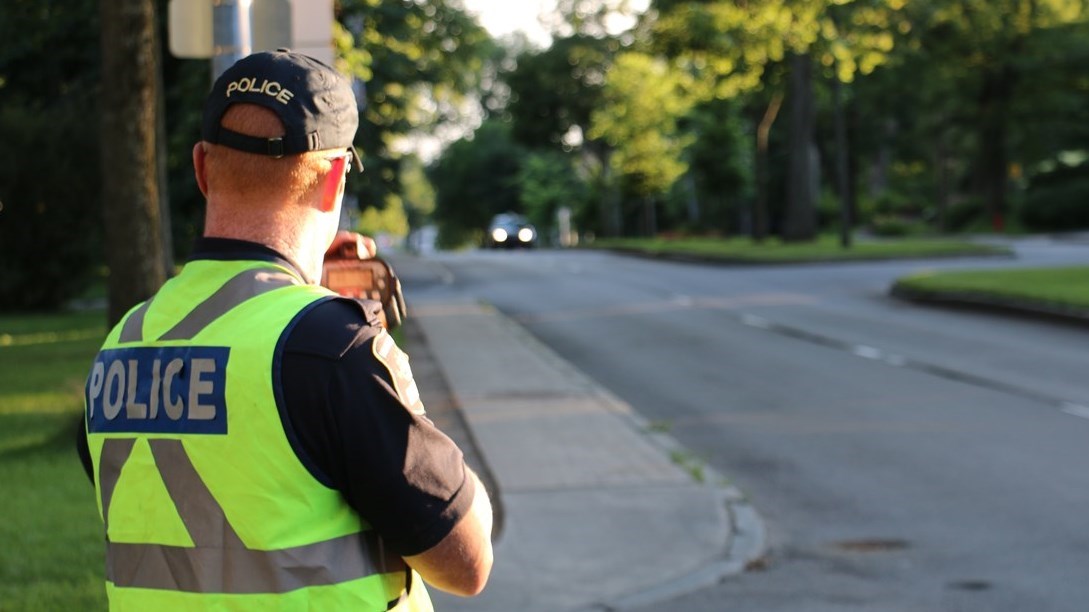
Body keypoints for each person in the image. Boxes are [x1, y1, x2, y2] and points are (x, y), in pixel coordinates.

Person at [78, 49, 493, 610]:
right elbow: (465, 562)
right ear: (335, 179)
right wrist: (387, 377)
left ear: (202, 168)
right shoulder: (333, 349)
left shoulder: (121, 345)